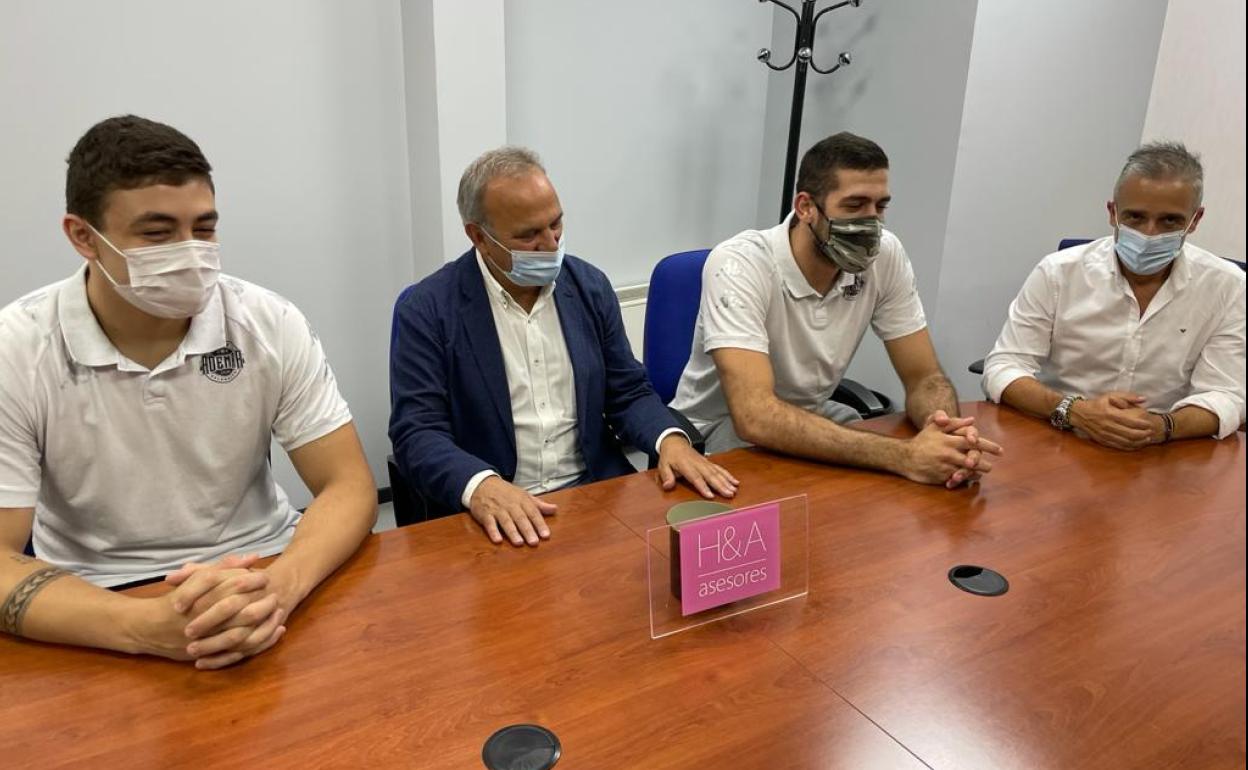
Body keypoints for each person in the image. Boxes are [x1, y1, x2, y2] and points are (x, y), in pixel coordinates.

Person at [0, 116, 377, 669]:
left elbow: (348, 485)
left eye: (204, 229)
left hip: (263, 568)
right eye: (157, 234)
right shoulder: (18, 349)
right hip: (96, 596)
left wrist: (280, 588)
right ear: (83, 236)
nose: (190, 252)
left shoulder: (267, 322)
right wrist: (146, 627)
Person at [389, 147, 738, 547]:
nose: (551, 243)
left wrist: (670, 441)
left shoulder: (588, 287)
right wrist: (481, 485)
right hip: (497, 509)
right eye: (528, 235)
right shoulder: (429, 309)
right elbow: (417, 431)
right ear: (478, 237)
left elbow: (627, 392)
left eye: (556, 224)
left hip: (595, 493)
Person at [670, 132, 1001, 487]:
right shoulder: (740, 263)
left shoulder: (885, 255)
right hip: (721, 435)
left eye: (880, 206)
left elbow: (924, 377)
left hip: (813, 420)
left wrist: (946, 435)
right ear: (805, 207)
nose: (871, 223)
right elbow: (755, 416)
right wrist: (902, 455)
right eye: (855, 206)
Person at [983, 141, 1245, 447]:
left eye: (1169, 220)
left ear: (1195, 220)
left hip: (1163, 448)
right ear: (1112, 213)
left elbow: (1226, 394)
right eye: (1135, 217)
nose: (1149, 233)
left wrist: (1160, 426)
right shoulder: (1058, 272)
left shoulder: (1229, 287)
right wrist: (1077, 412)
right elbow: (1003, 367)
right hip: (1060, 433)